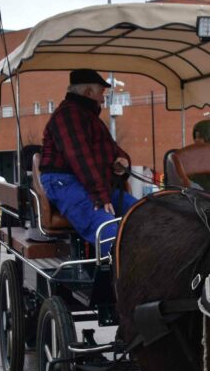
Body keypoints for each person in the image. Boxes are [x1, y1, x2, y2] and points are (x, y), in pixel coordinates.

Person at [39, 69, 137, 253]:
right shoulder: (67, 116)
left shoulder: (91, 119)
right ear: (89, 93)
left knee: (142, 213)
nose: (102, 99)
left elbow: (114, 150)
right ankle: (121, 275)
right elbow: (79, 157)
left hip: (94, 183)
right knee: (107, 229)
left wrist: (123, 163)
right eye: (101, 93)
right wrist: (100, 194)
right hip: (65, 182)